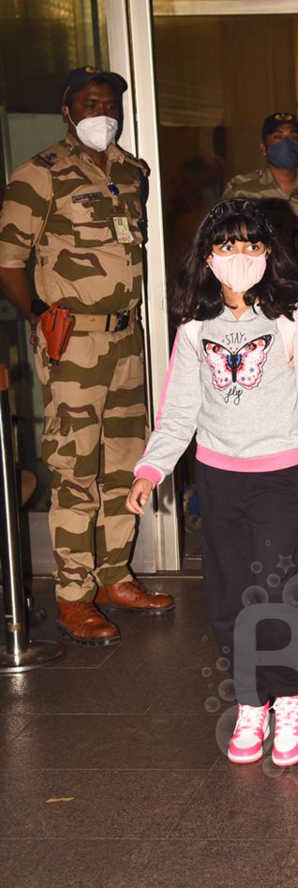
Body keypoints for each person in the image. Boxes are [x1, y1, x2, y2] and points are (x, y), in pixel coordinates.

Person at [126, 198, 298, 767]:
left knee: (272, 591)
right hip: (218, 478)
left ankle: (289, 695)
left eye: (251, 244)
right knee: (227, 599)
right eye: (226, 245)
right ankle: (250, 700)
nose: (239, 256)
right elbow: (178, 411)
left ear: (270, 253)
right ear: (208, 256)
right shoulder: (195, 326)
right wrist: (151, 468)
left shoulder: (294, 317)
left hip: (282, 476)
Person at [0, 66, 174, 645]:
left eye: (111, 103)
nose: (104, 112)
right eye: (90, 102)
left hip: (127, 338)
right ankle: (73, 595)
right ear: (68, 110)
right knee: (76, 468)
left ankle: (113, 576)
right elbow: (9, 260)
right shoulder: (39, 175)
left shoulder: (131, 172)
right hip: (73, 340)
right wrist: (38, 315)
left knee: (126, 460)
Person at [223, 111, 298, 300]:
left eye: (293, 137)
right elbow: (227, 246)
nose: (286, 143)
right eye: (278, 137)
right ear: (263, 148)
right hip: (259, 291)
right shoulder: (242, 190)